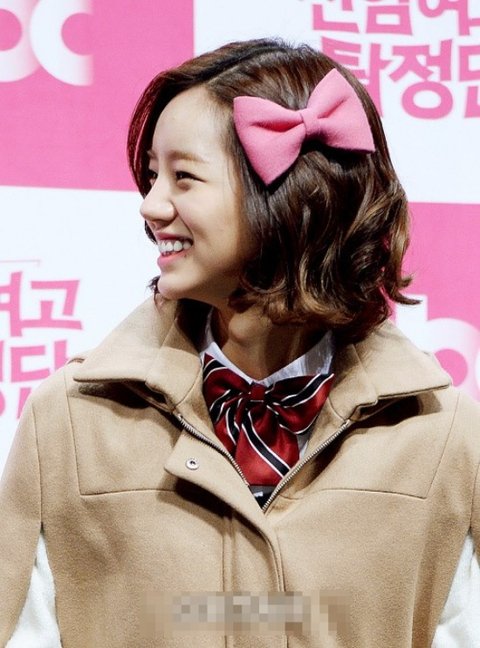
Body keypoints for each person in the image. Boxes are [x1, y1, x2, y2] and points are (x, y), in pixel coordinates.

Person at [1, 38, 479, 647]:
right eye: (151, 176)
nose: (151, 205)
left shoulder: (441, 433)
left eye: (184, 177)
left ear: (291, 199)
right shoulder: (70, 420)